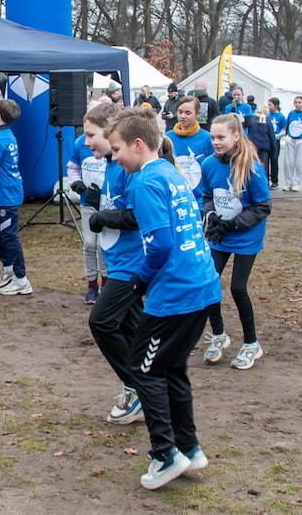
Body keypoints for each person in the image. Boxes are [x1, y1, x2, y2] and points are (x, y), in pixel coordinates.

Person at [106, 107, 223, 491]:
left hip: (175, 293)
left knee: (144, 370)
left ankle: (165, 453)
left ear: (138, 144)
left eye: (117, 149)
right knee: (171, 368)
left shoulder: (144, 183)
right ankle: (189, 447)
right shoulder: (171, 173)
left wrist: (140, 282)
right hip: (202, 286)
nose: (114, 157)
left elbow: (160, 244)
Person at [81, 102, 145, 424]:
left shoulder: (128, 168)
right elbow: (116, 204)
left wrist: (103, 217)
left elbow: (137, 215)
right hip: (118, 260)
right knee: (131, 328)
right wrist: (97, 202)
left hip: (131, 265)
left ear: (110, 133)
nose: (86, 142)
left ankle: (136, 387)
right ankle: (151, 386)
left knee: (102, 321)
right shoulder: (110, 165)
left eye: (91, 135)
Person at [198, 114, 271, 368]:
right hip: (220, 235)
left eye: (221, 137)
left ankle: (252, 344)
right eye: (213, 137)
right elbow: (207, 195)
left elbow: (263, 206)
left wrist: (234, 223)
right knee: (208, 282)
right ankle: (219, 335)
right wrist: (211, 216)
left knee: (238, 288)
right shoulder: (209, 164)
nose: (216, 142)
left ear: (236, 137)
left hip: (246, 236)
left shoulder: (251, 167)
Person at [0, 99, 33, 296]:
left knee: (9, 235)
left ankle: (21, 279)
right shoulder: (7, 135)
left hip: (6, 194)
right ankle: (8, 268)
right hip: (2, 193)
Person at [69, 109, 108, 305]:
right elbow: (72, 167)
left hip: (107, 205)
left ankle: (107, 282)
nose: (88, 141)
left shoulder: (109, 148)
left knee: (104, 245)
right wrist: (77, 184)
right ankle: (92, 284)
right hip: (87, 203)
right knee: (90, 243)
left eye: (91, 134)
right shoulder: (80, 144)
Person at [165, 95, 214, 199]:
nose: (183, 116)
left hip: (200, 199)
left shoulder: (207, 138)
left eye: (188, 113)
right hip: (176, 198)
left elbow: (213, 169)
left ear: (197, 114)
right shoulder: (167, 138)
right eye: (180, 112)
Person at [280, 96, 302, 192]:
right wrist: (287, 136)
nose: (297, 104)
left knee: (299, 162)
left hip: (300, 139)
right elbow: (288, 125)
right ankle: (288, 182)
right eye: (296, 102)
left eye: (299, 102)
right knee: (288, 162)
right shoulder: (291, 113)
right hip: (291, 138)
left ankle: (296, 183)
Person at [245, 110, 278, 187]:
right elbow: (272, 137)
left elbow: (247, 133)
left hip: (253, 146)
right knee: (264, 167)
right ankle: (264, 184)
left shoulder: (251, 120)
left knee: (253, 166)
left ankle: (253, 184)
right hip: (264, 148)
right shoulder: (267, 121)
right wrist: (274, 151)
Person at [266, 97, 287, 190]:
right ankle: (266, 180)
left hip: (275, 141)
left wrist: (276, 136)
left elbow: (284, 129)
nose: (268, 107)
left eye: (270, 105)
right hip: (267, 141)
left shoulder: (281, 117)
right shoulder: (267, 115)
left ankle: (275, 181)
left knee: (274, 161)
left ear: (276, 105)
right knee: (265, 160)